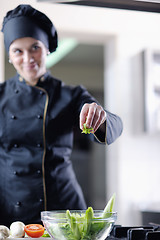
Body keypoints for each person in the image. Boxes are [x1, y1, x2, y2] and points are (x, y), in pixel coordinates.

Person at [0, 4, 123, 227]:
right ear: (9, 55)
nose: (28, 58)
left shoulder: (71, 95)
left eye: (35, 47)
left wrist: (99, 117)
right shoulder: (0, 97)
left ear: (47, 48)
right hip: (11, 212)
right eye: (18, 50)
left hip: (63, 210)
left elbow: (115, 125)